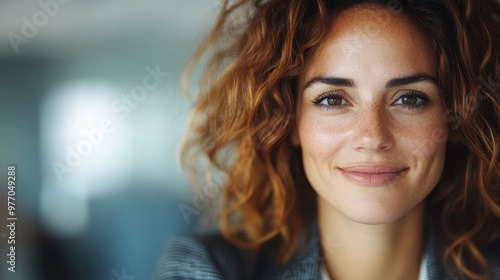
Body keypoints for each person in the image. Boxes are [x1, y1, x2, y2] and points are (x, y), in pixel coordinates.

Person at [155, 0, 500, 279]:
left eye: (409, 99)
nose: (372, 137)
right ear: (289, 123)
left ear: (456, 119)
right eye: (333, 99)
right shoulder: (210, 268)